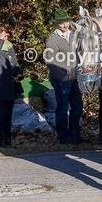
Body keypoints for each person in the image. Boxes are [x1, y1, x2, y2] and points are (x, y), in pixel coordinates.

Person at [44, 8, 83, 144]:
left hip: (75, 77)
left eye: (66, 22)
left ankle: (75, 134)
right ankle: (63, 136)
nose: (65, 25)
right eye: (62, 23)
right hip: (61, 78)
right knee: (63, 108)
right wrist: (63, 72)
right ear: (56, 24)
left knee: (77, 107)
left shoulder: (74, 35)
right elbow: (49, 59)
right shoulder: (52, 39)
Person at [0, 28, 21, 148]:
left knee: (8, 115)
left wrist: (18, 72)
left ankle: (7, 140)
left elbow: (14, 62)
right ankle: (0, 140)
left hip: (10, 86)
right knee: (0, 114)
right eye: (3, 36)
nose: (6, 38)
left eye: (7, 36)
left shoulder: (9, 47)